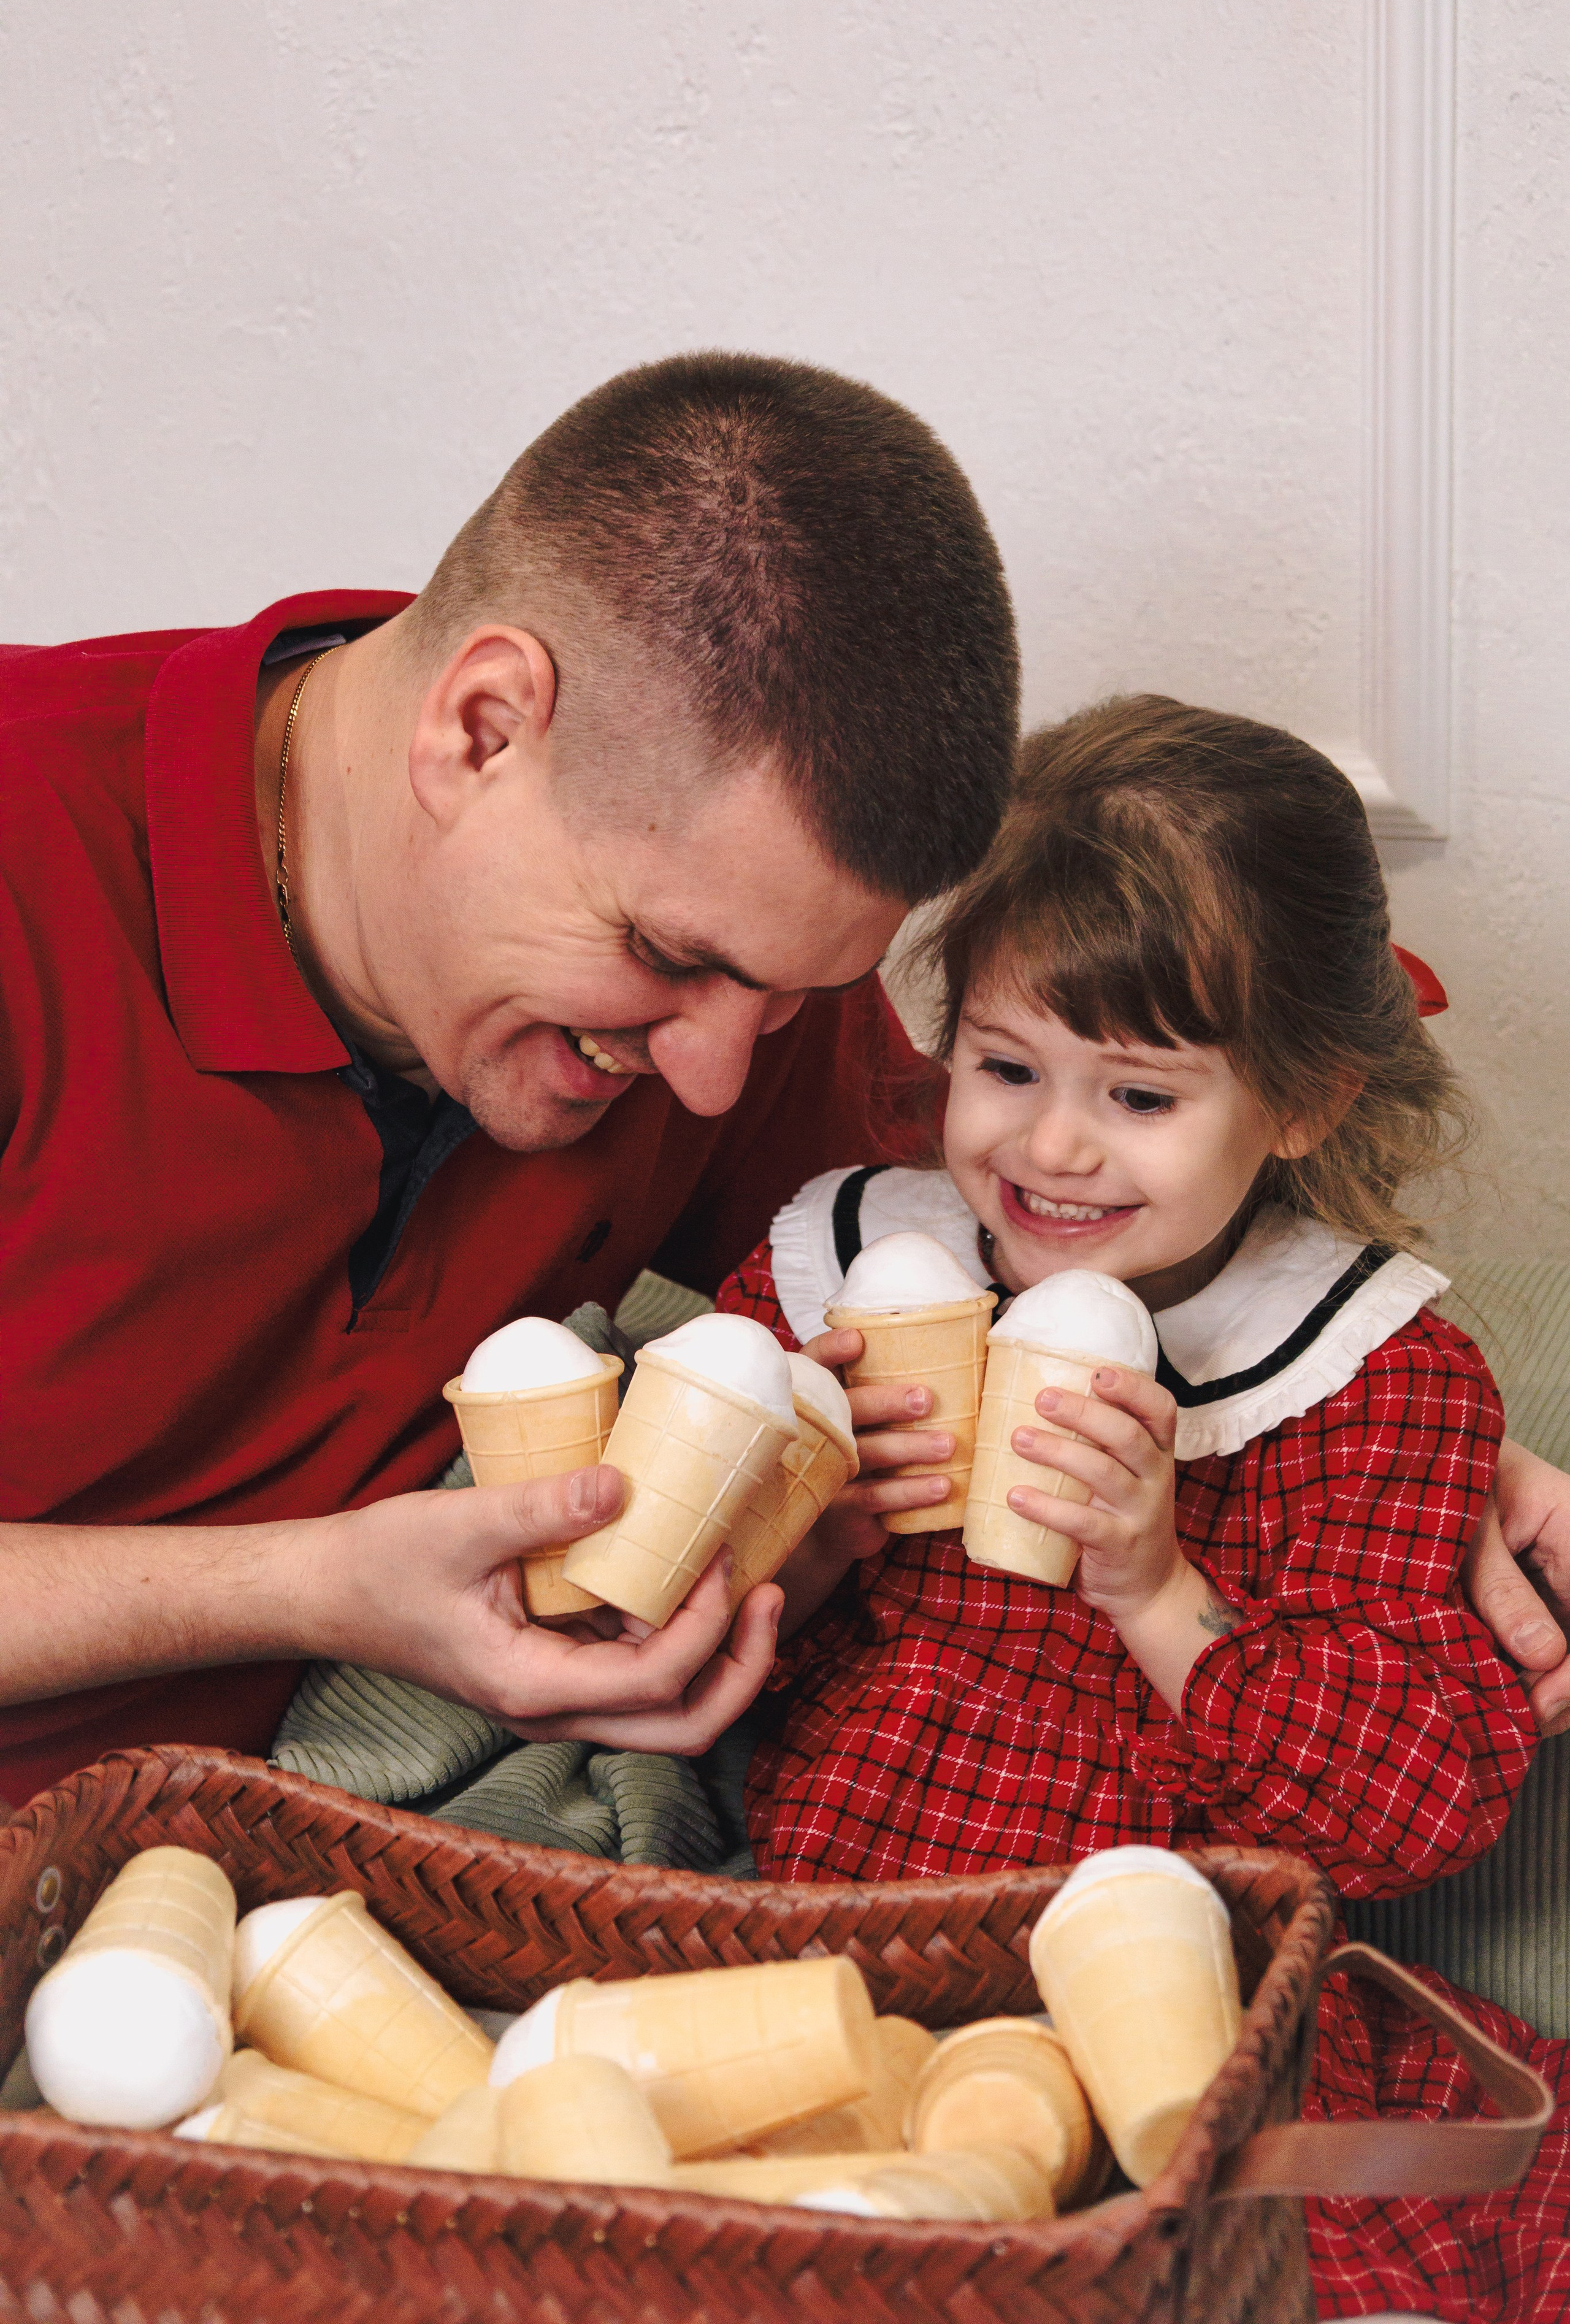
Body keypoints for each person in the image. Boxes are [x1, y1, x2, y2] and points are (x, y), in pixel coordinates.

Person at [0, 351, 1022, 1811]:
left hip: (366, 1880)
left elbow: (1080, 1225)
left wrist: (1416, 1441)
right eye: (666, 955)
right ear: (481, 727)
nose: (719, 1078)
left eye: (789, 998)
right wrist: (309, 1586)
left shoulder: (728, 957)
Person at [718, 695, 1570, 2323]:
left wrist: (1161, 1589)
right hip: (852, 1967)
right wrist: (815, 1524)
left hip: (1206, 2013)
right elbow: (652, 1641)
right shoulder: (852, 1274)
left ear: (1302, 1100)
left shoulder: (1369, 1378)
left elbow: (1417, 1806)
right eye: (1007, 1064)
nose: (1051, 1146)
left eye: (1139, 1097)